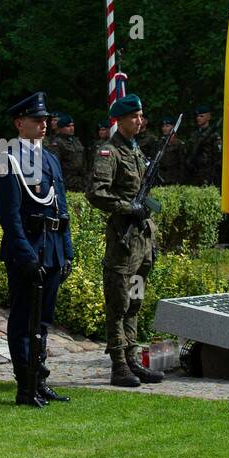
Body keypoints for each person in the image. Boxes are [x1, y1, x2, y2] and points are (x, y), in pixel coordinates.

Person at [0, 92, 74, 407]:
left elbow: (62, 208)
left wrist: (66, 251)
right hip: (28, 249)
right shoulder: (8, 159)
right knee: (24, 319)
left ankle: (39, 379)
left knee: (42, 320)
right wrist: (27, 256)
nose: (44, 125)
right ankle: (25, 385)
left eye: (45, 119)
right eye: (36, 120)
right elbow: (10, 216)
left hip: (51, 248)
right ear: (19, 123)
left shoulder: (50, 158)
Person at [88, 93, 164, 388]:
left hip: (142, 240)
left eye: (141, 116)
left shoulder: (135, 151)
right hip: (123, 239)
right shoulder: (110, 152)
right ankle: (118, 365)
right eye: (134, 116)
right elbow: (96, 192)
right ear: (119, 120)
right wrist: (128, 207)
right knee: (118, 302)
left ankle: (132, 358)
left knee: (135, 299)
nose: (140, 120)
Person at [45, 112, 88, 194]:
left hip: (80, 182)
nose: (71, 128)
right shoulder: (57, 143)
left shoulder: (76, 141)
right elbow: (55, 165)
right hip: (66, 182)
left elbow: (83, 160)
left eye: (73, 125)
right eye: (68, 126)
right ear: (60, 128)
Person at [184, 103, 221, 186]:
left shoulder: (214, 135)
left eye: (201, 116)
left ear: (209, 117)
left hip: (208, 172)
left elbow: (218, 155)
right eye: (197, 116)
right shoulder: (194, 134)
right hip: (195, 171)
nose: (198, 118)